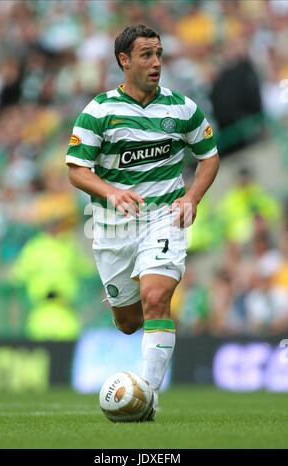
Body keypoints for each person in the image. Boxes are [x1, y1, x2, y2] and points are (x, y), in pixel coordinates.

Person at [65, 25, 219, 419]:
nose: (155, 63)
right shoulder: (99, 111)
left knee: (156, 299)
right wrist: (111, 192)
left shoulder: (182, 108)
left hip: (164, 218)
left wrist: (191, 197)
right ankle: (139, 365)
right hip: (114, 227)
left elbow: (209, 156)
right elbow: (77, 170)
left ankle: (146, 398)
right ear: (124, 60)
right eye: (146, 55)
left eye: (159, 54)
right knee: (129, 322)